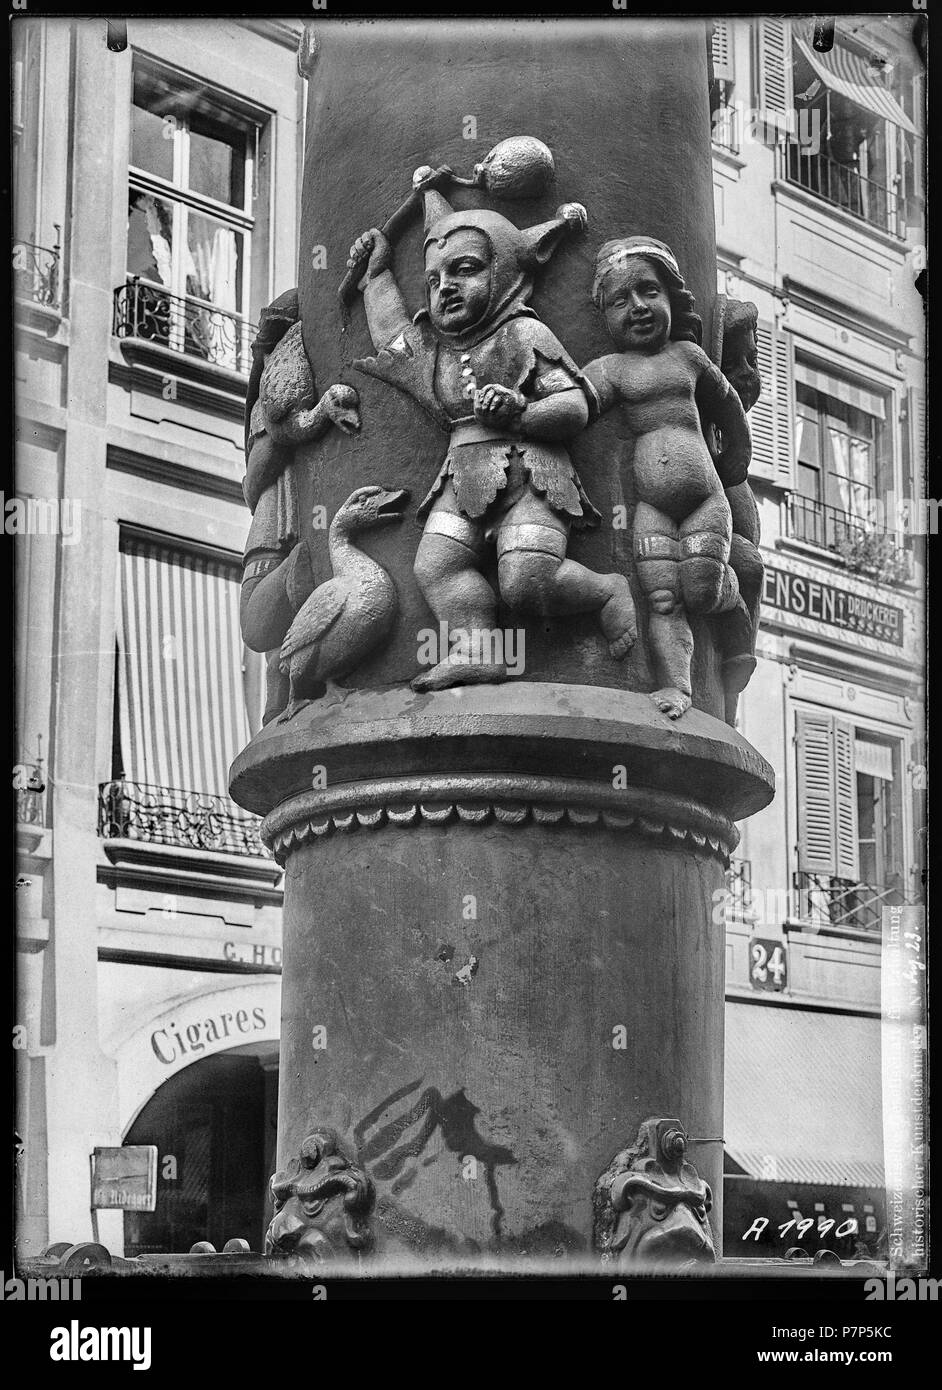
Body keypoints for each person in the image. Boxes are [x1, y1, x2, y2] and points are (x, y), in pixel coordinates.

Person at [347, 188, 636, 691]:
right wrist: (376, 276)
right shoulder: (435, 354)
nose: (446, 289)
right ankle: (477, 649)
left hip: (531, 473)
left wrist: (523, 413)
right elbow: (392, 337)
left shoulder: (523, 334)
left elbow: (575, 405)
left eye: (465, 270)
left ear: (505, 271)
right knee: (435, 566)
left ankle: (606, 591)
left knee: (526, 580)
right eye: (434, 280)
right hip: (464, 476)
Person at [582, 236, 752, 719]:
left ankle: (738, 600)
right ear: (605, 314)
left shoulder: (688, 358)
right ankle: (677, 687)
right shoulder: (610, 369)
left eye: (649, 292)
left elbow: (729, 407)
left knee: (700, 592)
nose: (637, 306)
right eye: (620, 300)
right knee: (662, 599)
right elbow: (575, 402)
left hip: (703, 500)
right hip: (652, 509)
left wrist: (739, 451)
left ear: (672, 299)